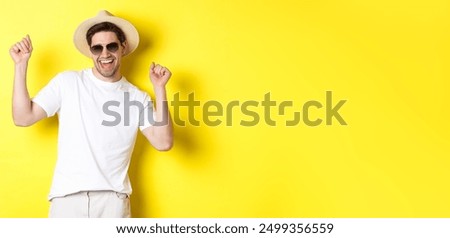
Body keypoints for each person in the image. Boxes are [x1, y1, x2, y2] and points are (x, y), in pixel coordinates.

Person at [10, 10, 173, 218]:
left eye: (111, 46)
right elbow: (22, 117)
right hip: (67, 200)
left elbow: (163, 142)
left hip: (113, 203)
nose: (105, 54)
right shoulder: (68, 82)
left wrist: (160, 88)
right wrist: (20, 65)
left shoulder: (136, 97)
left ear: (123, 47)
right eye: (97, 48)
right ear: (91, 51)